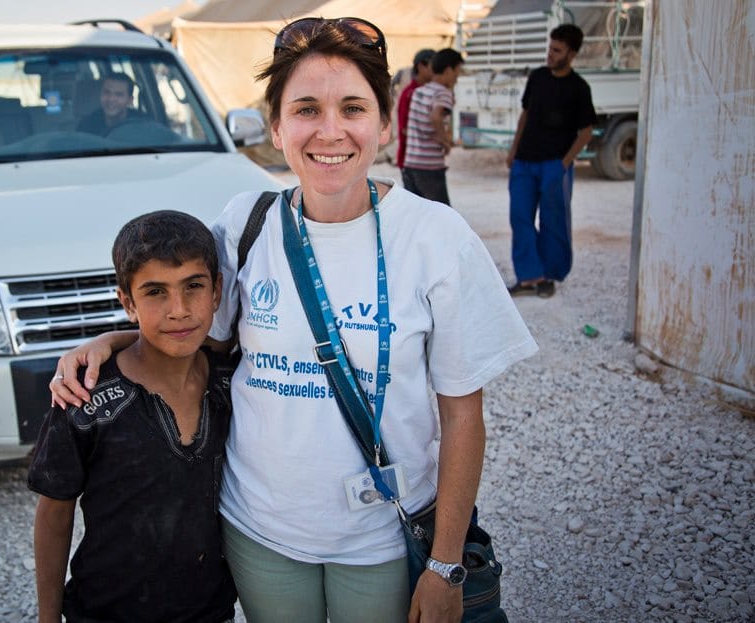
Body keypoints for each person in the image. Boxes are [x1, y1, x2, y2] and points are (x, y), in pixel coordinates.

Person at [52, 17, 537, 623]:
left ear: (383, 124)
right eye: (306, 109)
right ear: (276, 127)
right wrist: (114, 338)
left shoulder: (437, 238)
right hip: (260, 531)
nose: (330, 132)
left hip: (383, 539)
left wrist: (443, 566)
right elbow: (196, 331)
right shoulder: (245, 223)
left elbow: (463, 414)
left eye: (353, 108)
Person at [28, 210, 236, 623]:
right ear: (127, 302)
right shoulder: (84, 398)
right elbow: (54, 514)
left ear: (216, 292)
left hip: (209, 611)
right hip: (106, 611)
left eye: (193, 286)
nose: (178, 310)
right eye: (155, 292)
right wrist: (48, 618)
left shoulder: (233, 382)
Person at [506, 24, 597, 298]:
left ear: (571, 54)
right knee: (520, 218)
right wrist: (513, 150)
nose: (550, 54)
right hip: (524, 162)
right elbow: (525, 115)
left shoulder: (579, 88)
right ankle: (527, 277)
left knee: (553, 222)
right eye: (550, 47)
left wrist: (565, 163)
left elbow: (586, 132)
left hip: (554, 166)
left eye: (557, 50)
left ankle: (549, 276)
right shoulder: (537, 77)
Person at [402, 48, 464, 205]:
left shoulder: (419, 91)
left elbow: (419, 124)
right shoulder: (443, 93)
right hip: (429, 167)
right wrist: (445, 142)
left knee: (416, 216)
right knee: (441, 217)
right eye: (458, 71)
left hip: (410, 165)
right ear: (449, 70)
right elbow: (436, 116)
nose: (458, 76)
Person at [396, 49, 435, 172]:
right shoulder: (410, 94)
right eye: (433, 66)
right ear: (421, 66)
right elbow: (405, 129)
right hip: (414, 162)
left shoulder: (430, 91)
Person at [76, 73, 143, 135]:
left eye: (119, 94)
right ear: (100, 94)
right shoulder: (86, 126)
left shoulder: (142, 124)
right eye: (106, 92)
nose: (111, 99)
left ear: (130, 100)